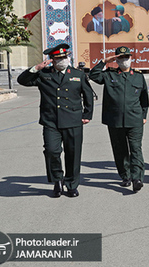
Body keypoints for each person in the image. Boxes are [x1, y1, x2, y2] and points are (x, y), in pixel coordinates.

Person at [17, 44, 94, 198]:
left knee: (73, 154)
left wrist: (87, 114)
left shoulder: (78, 74)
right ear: (52, 60)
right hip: (51, 121)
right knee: (52, 151)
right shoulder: (43, 74)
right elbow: (22, 81)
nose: (62, 61)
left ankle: (72, 184)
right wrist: (37, 68)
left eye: (64, 58)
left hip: (73, 120)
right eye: (58, 59)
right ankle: (57, 180)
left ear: (68, 57)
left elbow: (88, 95)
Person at [89, 46, 149, 192]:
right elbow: (93, 75)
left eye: (127, 57)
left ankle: (137, 178)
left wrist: (144, 116)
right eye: (121, 58)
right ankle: (125, 176)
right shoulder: (109, 75)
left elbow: (144, 99)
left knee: (136, 149)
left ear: (131, 58)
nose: (124, 60)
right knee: (120, 150)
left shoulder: (138, 76)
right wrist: (104, 62)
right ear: (116, 60)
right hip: (114, 119)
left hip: (134, 119)